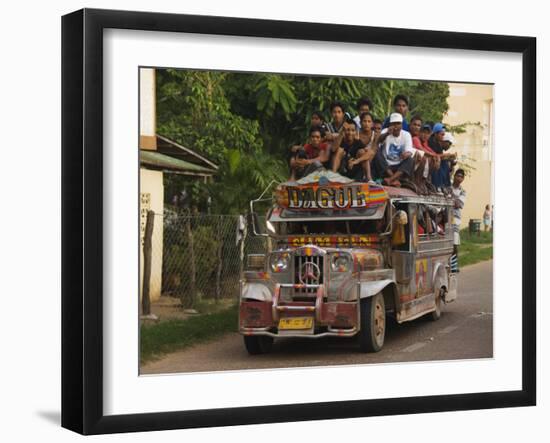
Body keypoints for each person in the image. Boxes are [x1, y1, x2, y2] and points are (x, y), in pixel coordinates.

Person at [371, 113, 415, 186]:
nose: (396, 126)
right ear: (390, 124)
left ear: (401, 125)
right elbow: (379, 141)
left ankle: (390, 179)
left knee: (410, 160)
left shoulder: (406, 134)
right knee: (377, 154)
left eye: (398, 124)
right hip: (386, 166)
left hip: (399, 167)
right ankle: (394, 179)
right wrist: (387, 133)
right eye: (393, 124)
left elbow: (409, 151)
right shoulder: (385, 131)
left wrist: (406, 154)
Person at [450, 169, 466, 272]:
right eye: (458, 176)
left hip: (455, 219)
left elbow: (459, 204)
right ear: (454, 176)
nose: (459, 178)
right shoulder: (448, 186)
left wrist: (451, 198)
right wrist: (455, 200)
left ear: (463, 179)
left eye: (461, 176)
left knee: (455, 243)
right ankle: (449, 264)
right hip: (445, 215)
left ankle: (454, 266)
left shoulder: (463, 191)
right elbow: (456, 202)